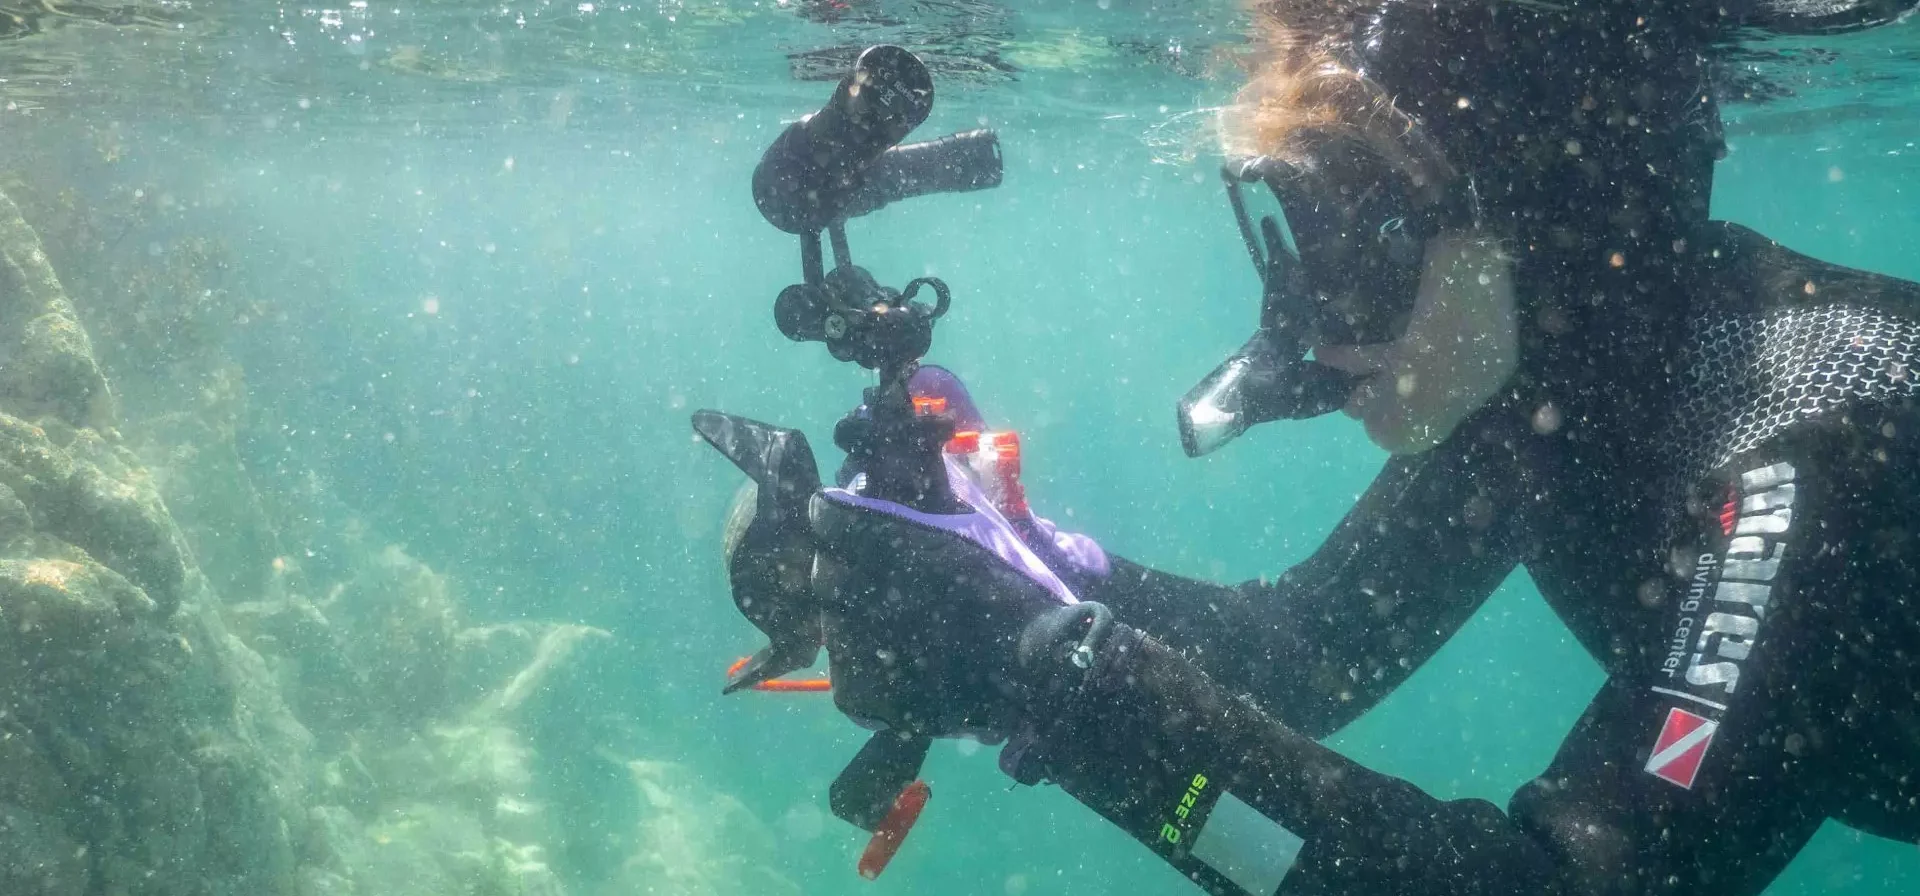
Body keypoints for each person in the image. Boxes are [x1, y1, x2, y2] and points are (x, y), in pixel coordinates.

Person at [780, 1, 1920, 893]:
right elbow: (1305, 652)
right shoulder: (1556, 381)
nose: (1312, 325)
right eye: (1290, 229)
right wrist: (998, 560)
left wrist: (1049, 673)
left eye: (1354, 235)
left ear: (1529, 209)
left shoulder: (1804, 458)